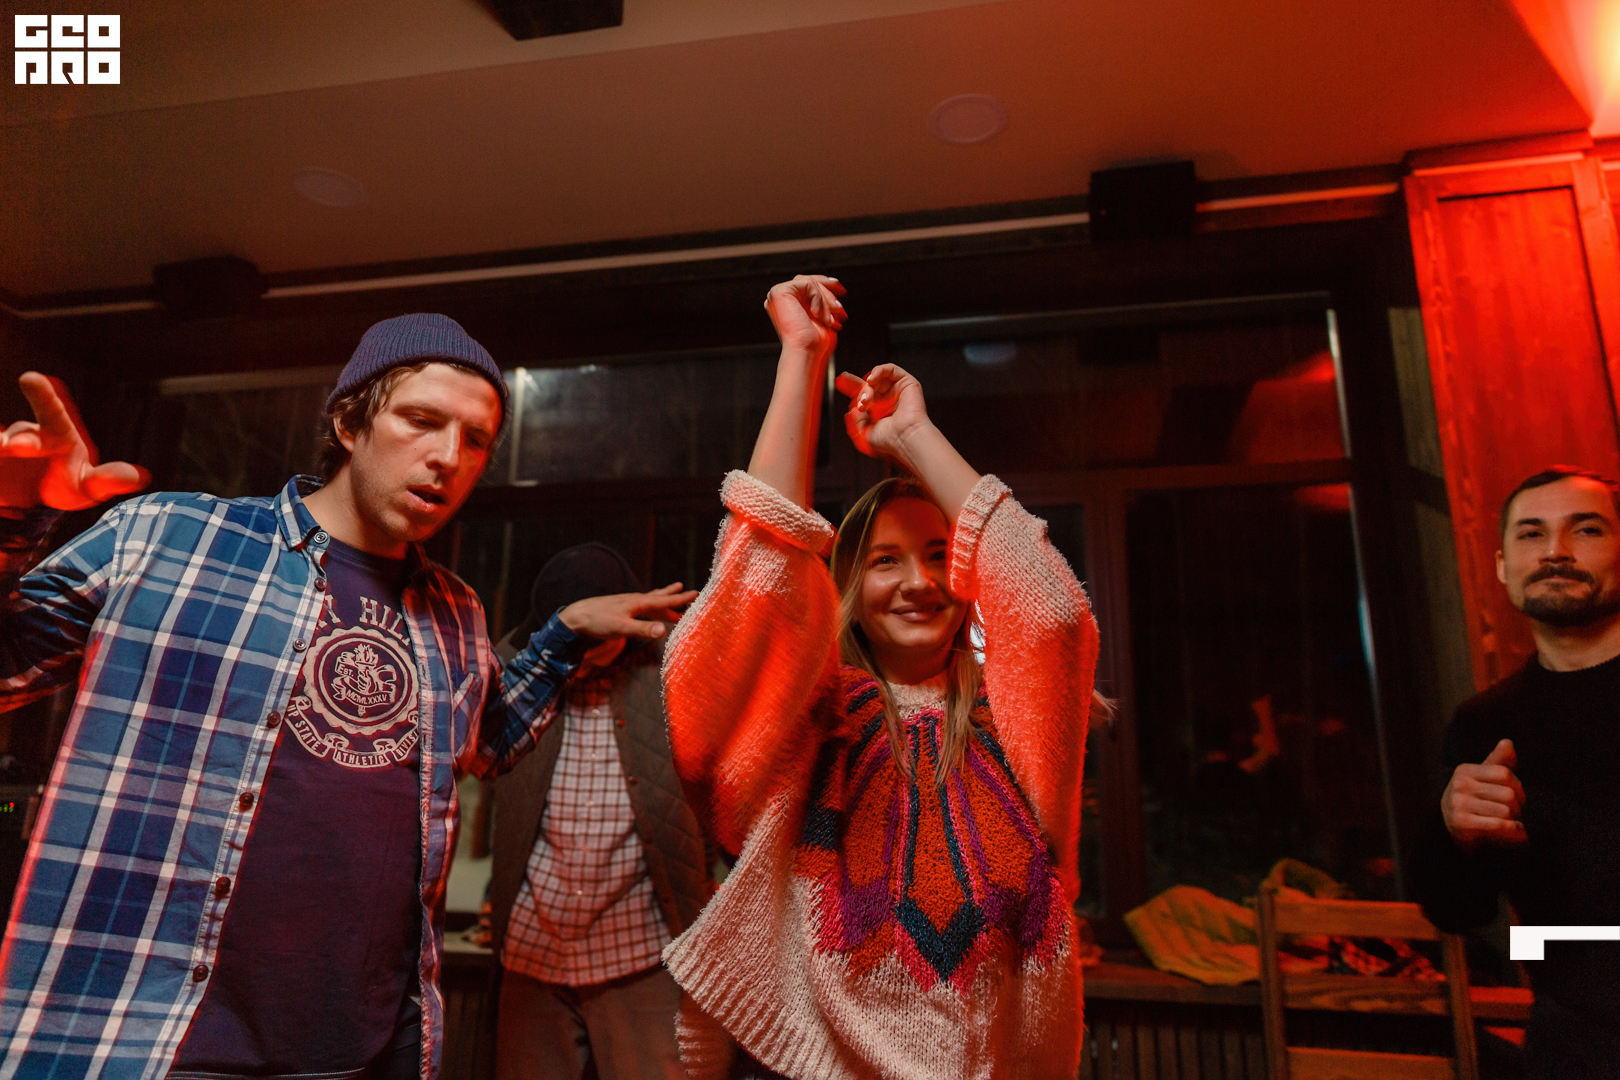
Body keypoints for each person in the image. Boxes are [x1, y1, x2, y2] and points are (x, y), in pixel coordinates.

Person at [0, 314, 693, 1080]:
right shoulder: (172, 537)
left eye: (475, 440)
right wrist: (11, 515)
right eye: (422, 420)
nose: (448, 457)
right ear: (349, 422)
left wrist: (561, 636)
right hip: (145, 1041)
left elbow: (488, 742)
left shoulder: (455, 611)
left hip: (363, 1051)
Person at [659, 275, 1100, 1078]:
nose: (921, 583)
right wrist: (801, 359)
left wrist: (915, 438)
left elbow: (1053, 616)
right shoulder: (808, 722)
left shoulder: (1017, 722)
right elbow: (759, 594)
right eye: (887, 561)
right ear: (849, 591)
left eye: (940, 556)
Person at [1410, 466, 1620, 1078]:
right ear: (1504, 567)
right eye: (1532, 534)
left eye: (1586, 530)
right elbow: (1456, 911)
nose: (1555, 551)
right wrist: (1457, 834)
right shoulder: (1485, 723)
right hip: (1574, 1049)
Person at [488, 543, 708, 1080]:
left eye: (597, 641)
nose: (583, 657)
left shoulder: (675, 666)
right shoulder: (519, 669)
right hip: (533, 949)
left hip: (642, 949)